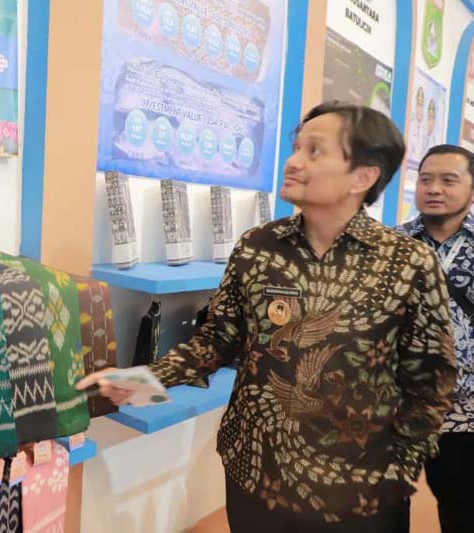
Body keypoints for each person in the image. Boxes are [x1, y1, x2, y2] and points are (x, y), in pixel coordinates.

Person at [78, 101, 457, 532]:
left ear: (363, 177)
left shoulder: (407, 262)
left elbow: (431, 378)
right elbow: (218, 340)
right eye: (297, 148)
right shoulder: (258, 247)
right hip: (257, 472)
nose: (293, 161)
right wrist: (147, 379)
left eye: (315, 151)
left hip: (359, 489)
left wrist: (400, 466)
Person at [397, 144, 474, 533]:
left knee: (463, 510)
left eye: (448, 180)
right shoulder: (391, 246)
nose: (434, 188)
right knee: (384, 511)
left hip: (466, 413)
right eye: (425, 179)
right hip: (395, 408)